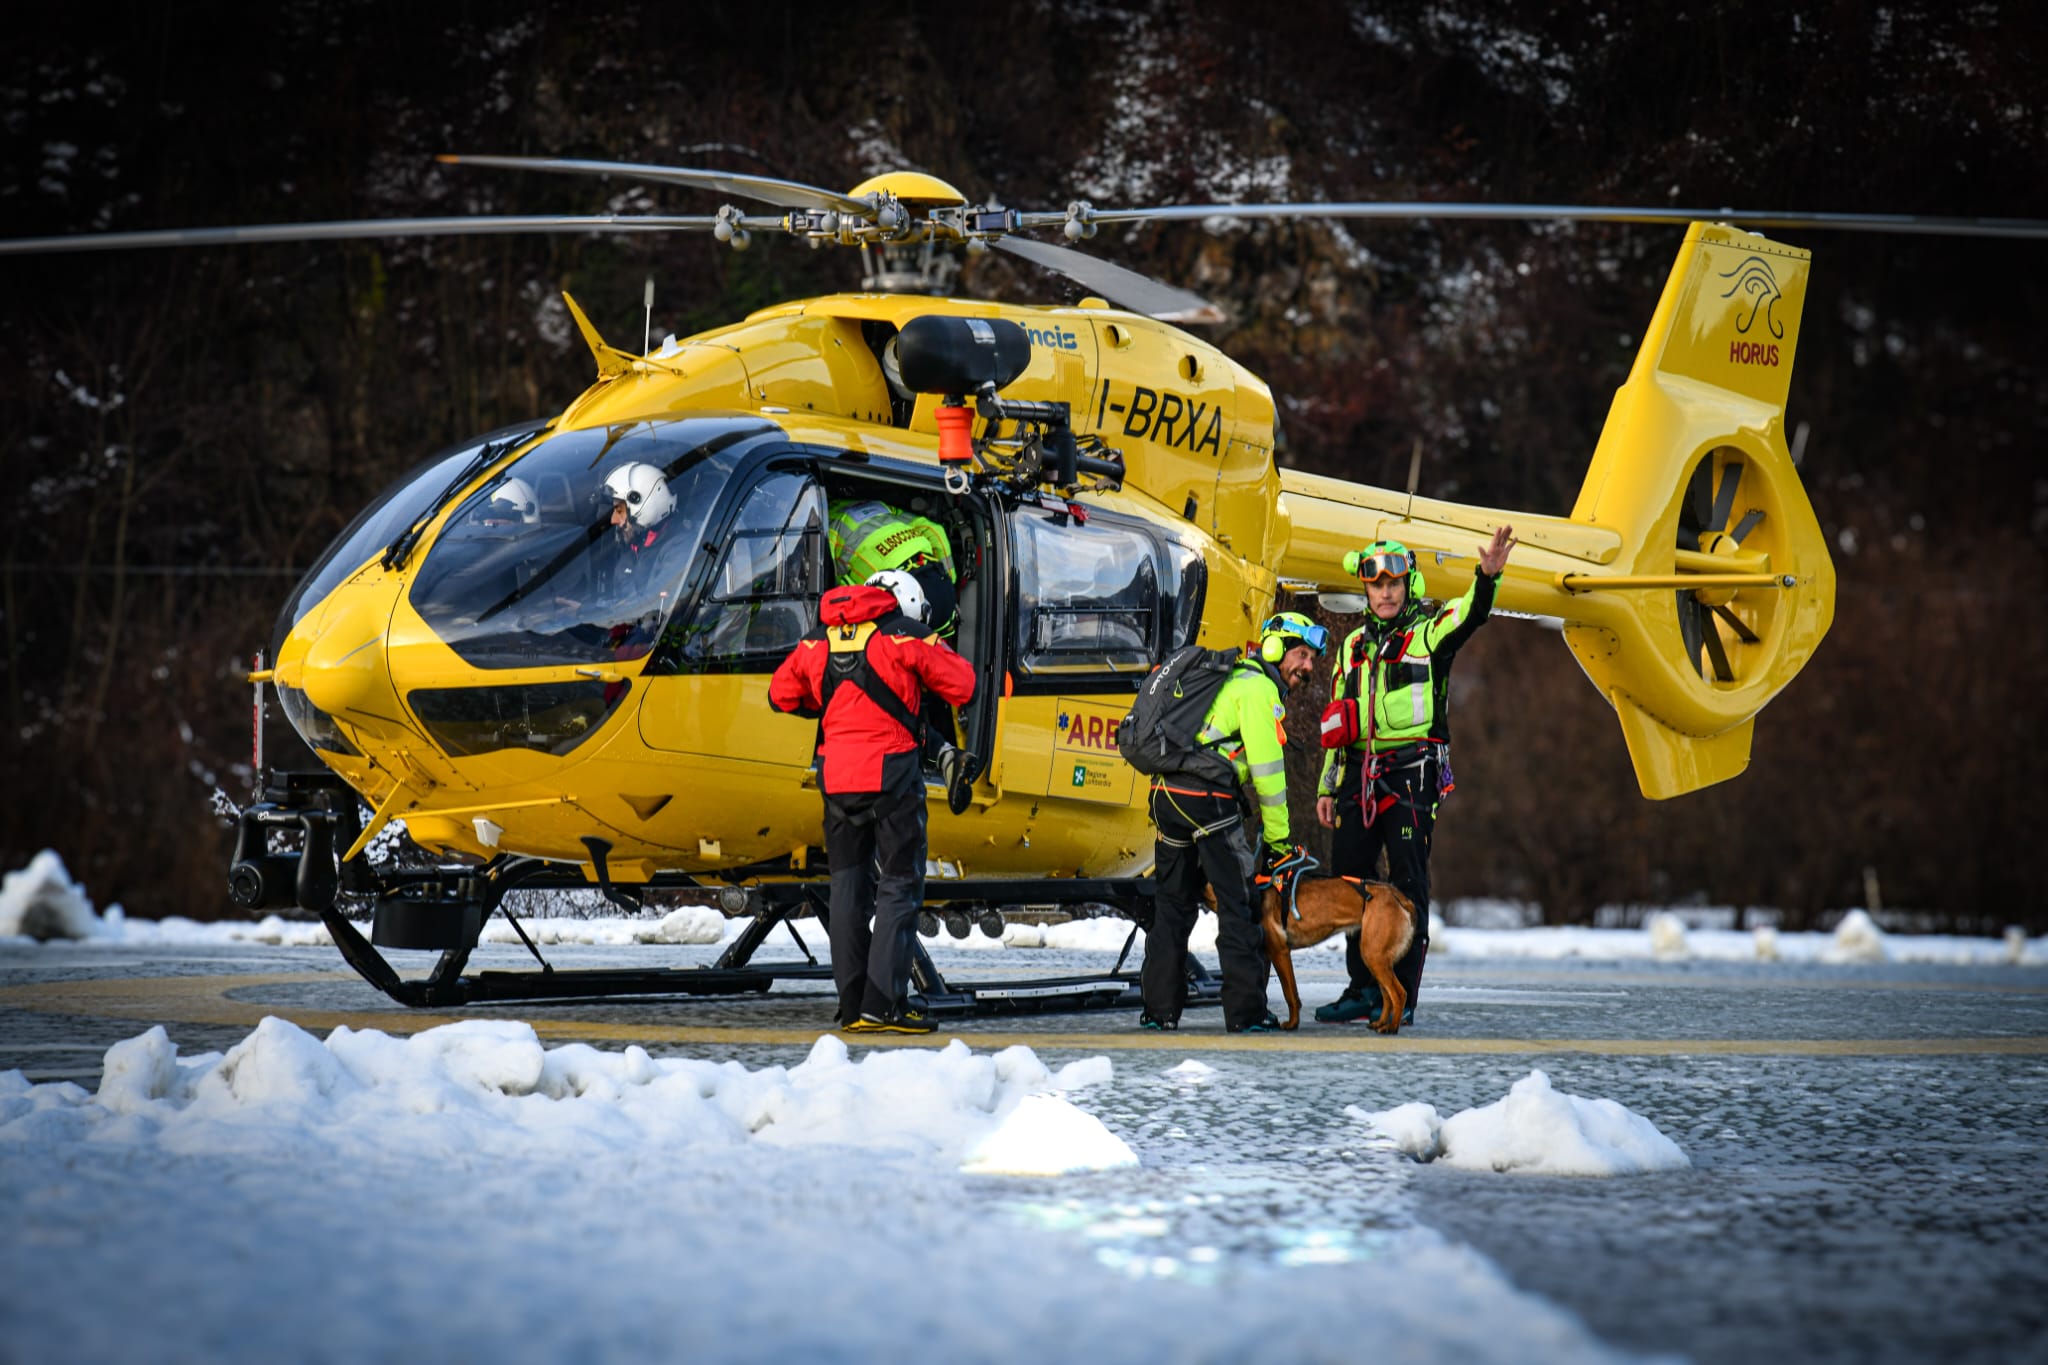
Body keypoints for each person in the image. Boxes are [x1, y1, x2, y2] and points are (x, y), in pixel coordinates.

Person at [1313, 527, 1514, 1025]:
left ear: (1408, 586)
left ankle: (1400, 996)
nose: (1385, 592)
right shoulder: (1352, 647)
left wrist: (1486, 578)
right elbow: (1340, 719)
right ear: (1365, 589)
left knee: (1409, 885)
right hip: (1356, 776)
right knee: (1350, 887)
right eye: (1376, 584)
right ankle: (1362, 989)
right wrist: (1326, 784)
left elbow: (1470, 614)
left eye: (1394, 584)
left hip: (1411, 775)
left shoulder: (1427, 633)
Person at [768, 567, 977, 1034]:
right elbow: (964, 685)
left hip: (836, 780)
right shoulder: (905, 636)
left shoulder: (819, 639)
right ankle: (884, 1006)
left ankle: (852, 1005)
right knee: (899, 886)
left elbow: (780, 695)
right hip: (892, 778)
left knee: (846, 889)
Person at [1141, 611, 1326, 1033]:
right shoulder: (1258, 688)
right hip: (1207, 799)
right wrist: (1280, 842)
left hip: (1167, 795)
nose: (1308, 667)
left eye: (1312, 659)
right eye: (1301, 654)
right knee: (1239, 906)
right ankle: (1246, 1015)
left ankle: (1158, 1011)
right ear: (1275, 648)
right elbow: (1268, 775)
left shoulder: (1228, 678)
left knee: (1172, 904)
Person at [827, 496, 973, 812]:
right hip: (936, 586)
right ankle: (945, 745)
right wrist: (949, 578)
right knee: (930, 667)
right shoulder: (881, 508)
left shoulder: (830, 530)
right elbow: (933, 528)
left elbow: (838, 593)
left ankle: (923, 750)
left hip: (904, 594)